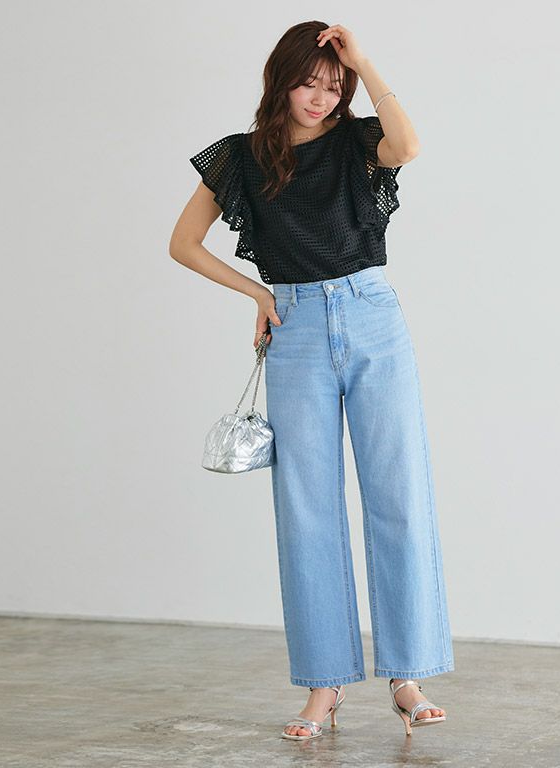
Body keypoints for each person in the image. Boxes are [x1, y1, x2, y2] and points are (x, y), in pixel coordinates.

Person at [170, 20, 455, 741]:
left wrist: (362, 60)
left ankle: (406, 674)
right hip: (294, 328)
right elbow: (182, 244)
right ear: (281, 81)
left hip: (372, 317)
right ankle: (324, 687)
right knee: (307, 507)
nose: (321, 98)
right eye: (308, 83)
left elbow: (409, 146)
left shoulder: (359, 143)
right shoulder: (240, 158)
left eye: (334, 86)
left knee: (398, 493)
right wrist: (258, 295)